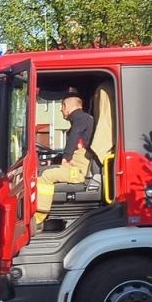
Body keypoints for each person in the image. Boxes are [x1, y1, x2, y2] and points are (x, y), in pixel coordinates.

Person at [34, 90, 96, 227]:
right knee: (44, 170)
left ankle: (38, 217)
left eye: (61, 108)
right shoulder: (85, 119)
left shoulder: (81, 119)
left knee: (46, 175)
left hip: (79, 172)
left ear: (66, 106)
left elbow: (75, 135)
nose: (61, 112)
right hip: (78, 167)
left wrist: (66, 158)